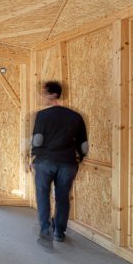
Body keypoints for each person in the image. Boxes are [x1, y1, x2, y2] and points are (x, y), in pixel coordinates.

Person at [30, 81, 88, 250]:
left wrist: (33, 157)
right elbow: (83, 145)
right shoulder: (76, 116)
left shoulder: (42, 115)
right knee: (62, 197)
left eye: (45, 93)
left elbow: (38, 140)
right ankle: (59, 233)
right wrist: (80, 159)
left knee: (43, 195)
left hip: (45, 161)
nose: (42, 96)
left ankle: (45, 232)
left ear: (53, 94)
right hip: (68, 163)